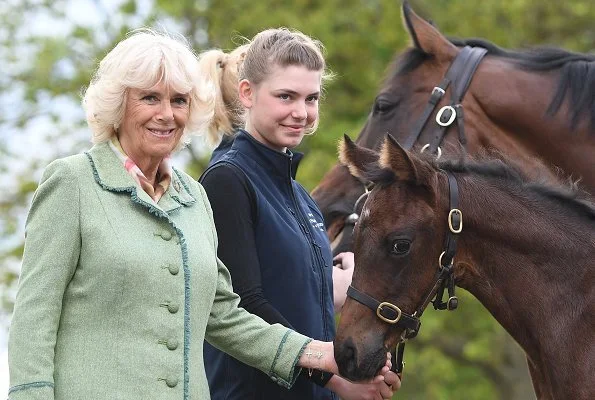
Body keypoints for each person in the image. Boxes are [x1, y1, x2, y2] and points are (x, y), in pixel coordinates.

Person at [6, 29, 396, 400]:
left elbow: (225, 314)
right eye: (149, 98)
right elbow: (34, 316)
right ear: (117, 103)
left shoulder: (194, 198)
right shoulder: (73, 182)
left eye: (179, 101)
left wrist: (322, 357)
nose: (167, 114)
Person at [198, 28, 400, 400]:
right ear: (247, 93)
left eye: (311, 98)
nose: (301, 113)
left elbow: (296, 299)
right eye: (285, 96)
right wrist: (335, 379)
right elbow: (245, 308)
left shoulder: (302, 198)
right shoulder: (227, 180)